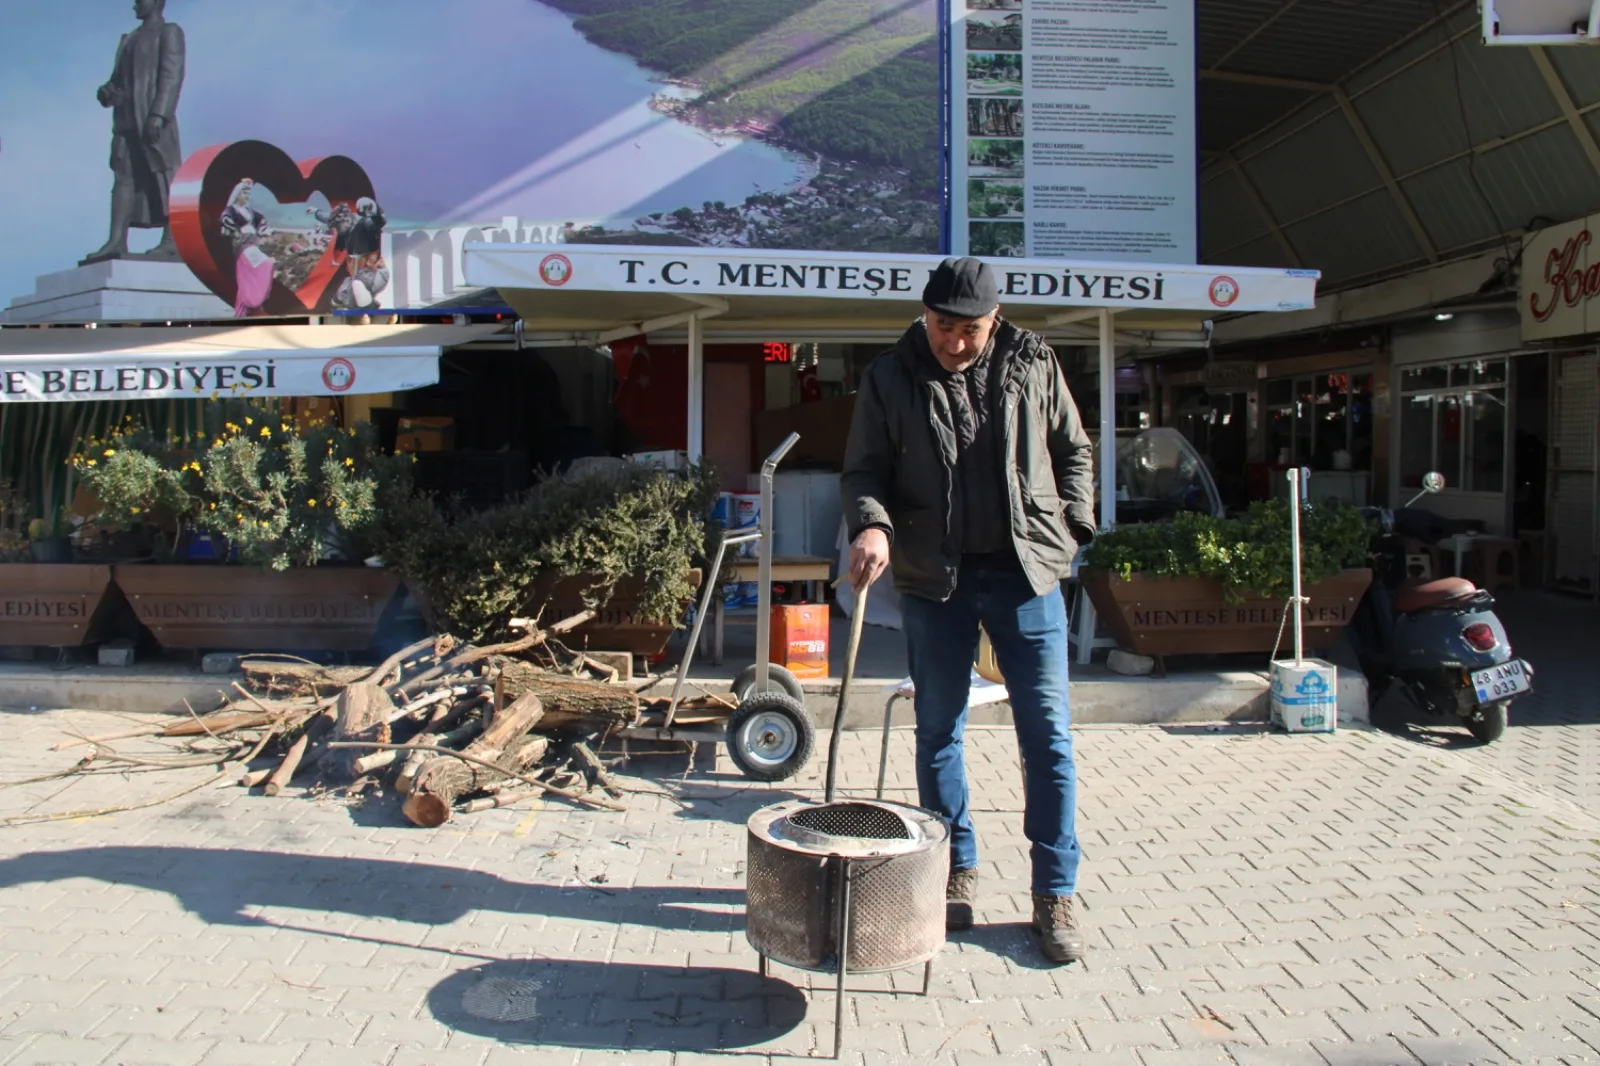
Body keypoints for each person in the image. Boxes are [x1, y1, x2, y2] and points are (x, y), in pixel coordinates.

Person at [841, 256, 1097, 964]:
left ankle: (1054, 890)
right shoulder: (889, 375)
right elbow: (864, 468)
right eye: (942, 326)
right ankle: (954, 869)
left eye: (970, 330)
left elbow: (1074, 449)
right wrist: (872, 524)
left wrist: (1074, 527)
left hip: (1026, 574)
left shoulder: (1034, 362)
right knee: (937, 732)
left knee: (1047, 737)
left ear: (995, 319)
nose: (954, 342)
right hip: (935, 577)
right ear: (924, 315)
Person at [83, 0, 186, 264]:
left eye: (140, 0)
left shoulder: (169, 32)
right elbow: (118, 81)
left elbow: (171, 77)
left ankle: (173, 239)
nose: (134, 5)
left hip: (152, 118)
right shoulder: (128, 39)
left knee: (165, 174)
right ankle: (116, 239)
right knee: (123, 176)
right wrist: (108, 92)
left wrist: (158, 114)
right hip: (126, 120)